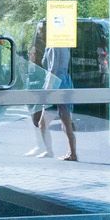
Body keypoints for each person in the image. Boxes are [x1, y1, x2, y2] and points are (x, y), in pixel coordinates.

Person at [24, 22, 79, 162]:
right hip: (64, 82)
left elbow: (53, 69)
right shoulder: (62, 43)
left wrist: (47, 90)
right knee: (65, 121)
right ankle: (71, 153)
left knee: (44, 122)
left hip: (56, 84)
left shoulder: (54, 45)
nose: (39, 34)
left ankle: (52, 151)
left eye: (40, 31)